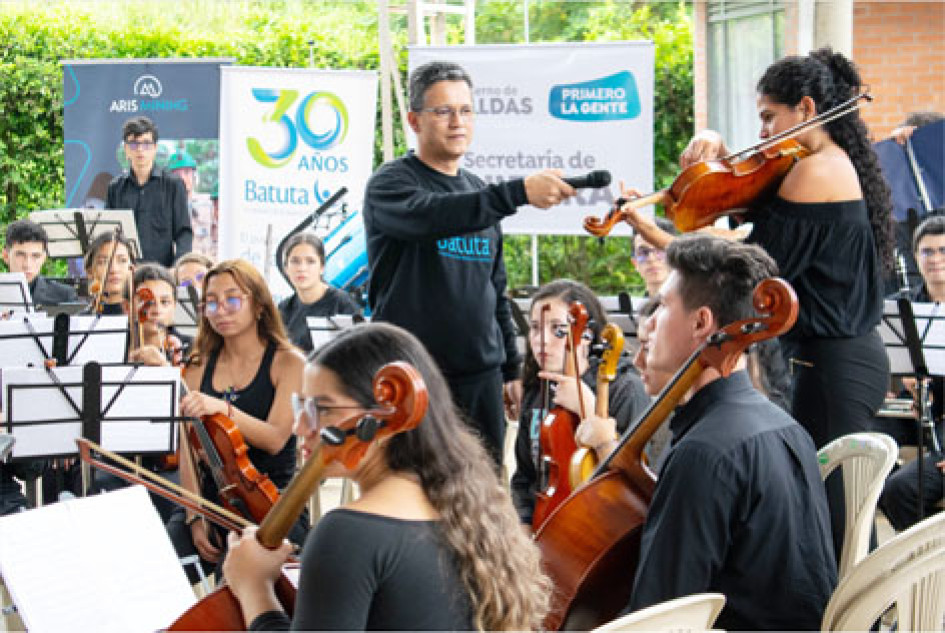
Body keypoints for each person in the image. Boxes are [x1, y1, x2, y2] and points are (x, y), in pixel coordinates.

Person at [618, 48, 895, 558]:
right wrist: (716, 147)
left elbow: (745, 266)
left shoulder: (816, 172)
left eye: (769, 118)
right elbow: (743, 207)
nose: (763, 134)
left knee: (837, 517)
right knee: (839, 512)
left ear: (806, 110)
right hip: (838, 360)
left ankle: (863, 619)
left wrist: (655, 233)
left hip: (836, 366)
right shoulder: (819, 164)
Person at [223, 322, 550, 631]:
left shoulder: (347, 533)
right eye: (301, 406)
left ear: (385, 417)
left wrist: (255, 590)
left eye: (322, 410)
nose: (300, 427)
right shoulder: (472, 512)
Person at [362, 60, 576, 465]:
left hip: (480, 380)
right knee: (416, 500)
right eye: (443, 111)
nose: (457, 121)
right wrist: (517, 192)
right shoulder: (391, 185)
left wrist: (511, 370)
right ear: (414, 119)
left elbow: (494, 290)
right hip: (413, 378)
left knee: (483, 503)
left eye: (466, 110)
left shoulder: (477, 191)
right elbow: (432, 215)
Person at [626, 234, 836, 629]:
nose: (647, 327)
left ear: (702, 323)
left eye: (663, 308)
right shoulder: (784, 425)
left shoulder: (704, 452)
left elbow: (658, 617)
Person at [167, 259, 307, 582]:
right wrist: (194, 516)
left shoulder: (288, 362)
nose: (220, 310)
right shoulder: (199, 364)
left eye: (232, 299)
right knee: (161, 570)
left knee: (234, 581)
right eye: (211, 302)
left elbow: (274, 438)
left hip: (271, 503)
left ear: (258, 305)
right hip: (211, 498)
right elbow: (187, 449)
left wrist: (223, 409)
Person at [510, 279, 648, 525]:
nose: (542, 341)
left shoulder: (622, 388)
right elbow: (524, 478)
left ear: (585, 336)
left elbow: (633, 481)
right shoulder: (536, 386)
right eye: (534, 327)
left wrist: (588, 406)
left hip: (598, 529)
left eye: (558, 330)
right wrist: (524, 524)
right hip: (542, 526)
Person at [878, 214, 945, 530]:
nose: (935, 259)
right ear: (915, 257)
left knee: (902, 490)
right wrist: (887, 382)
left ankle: (929, 555)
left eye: (943, 250)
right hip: (918, 412)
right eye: (927, 252)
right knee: (861, 436)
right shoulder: (901, 308)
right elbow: (881, 362)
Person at [106, 116, 192, 267]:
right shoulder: (115, 187)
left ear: (155, 148)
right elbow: (108, 234)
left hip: (163, 273)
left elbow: (184, 233)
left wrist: (177, 269)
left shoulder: (173, 185)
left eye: (146, 144)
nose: (140, 150)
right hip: (126, 272)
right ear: (126, 149)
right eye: (133, 144)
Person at [277, 232, 360, 353]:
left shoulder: (342, 304)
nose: (302, 268)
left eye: (310, 261)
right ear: (286, 268)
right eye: (295, 261)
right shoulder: (284, 308)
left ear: (322, 267)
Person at [2, 219, 78, 306]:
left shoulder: (65, 296)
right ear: (6, 256)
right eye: (20, 255)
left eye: (35, 256)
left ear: (44, 258)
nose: (27, 264)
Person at [83, 231, 136, 315]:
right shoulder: (80, 323)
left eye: (122, 260)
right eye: (103, 262)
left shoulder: (147, 318)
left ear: (133, 269)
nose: (114, 269)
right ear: (90, 271)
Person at [630, 218, 677, 297]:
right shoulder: (635, 308)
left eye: (660, 249)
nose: (651, 258)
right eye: (643, 252)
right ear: (634, 263)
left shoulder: (696, 304)